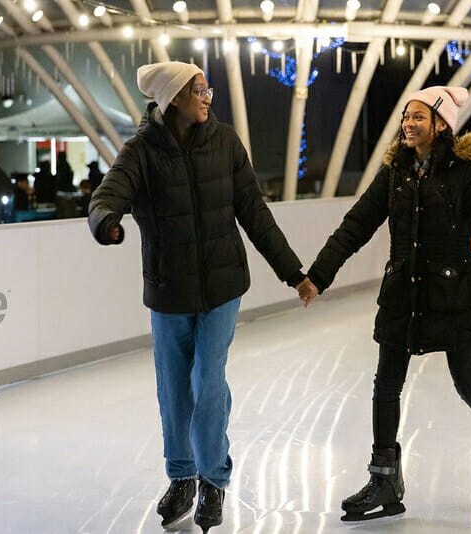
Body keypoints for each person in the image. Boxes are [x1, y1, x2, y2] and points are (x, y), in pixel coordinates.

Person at [297, 86, 471, 522]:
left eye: (418, 116)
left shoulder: (463, 172)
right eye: (405, 116)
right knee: (386, 385)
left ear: (441, 124)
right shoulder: (395, 171)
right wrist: (318, 275)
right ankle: (384, 479)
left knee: (468, 384)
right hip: (403, 293)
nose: (408, 124)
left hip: (450, 295)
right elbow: (356, 224)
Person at [87, 61, 308, 533]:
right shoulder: (141, 150)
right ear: (173, 98)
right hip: (169, 291)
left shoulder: (225, 142)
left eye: (209, 90)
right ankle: (182, 475)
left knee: (207, 382)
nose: (208, 98)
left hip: (222, 287)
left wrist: (293, 273)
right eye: (200, 90)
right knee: (173, 389)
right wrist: (107, 221)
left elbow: (253, 210)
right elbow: (109, 193)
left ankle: (212, 479)